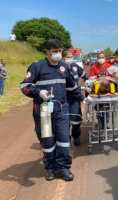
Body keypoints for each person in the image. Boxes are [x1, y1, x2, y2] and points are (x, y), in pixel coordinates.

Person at [20, 39, 76, 181]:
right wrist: (38, 92)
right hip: (43, 109)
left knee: (64, 139)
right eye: (54, 51)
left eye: (59, 51)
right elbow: (24, 85)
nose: (58, 54)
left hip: (62, 108)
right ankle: (50, 168)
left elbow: (72, 86)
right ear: (47, 51)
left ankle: (63, 168)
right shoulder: (37, 66)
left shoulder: (64, 66)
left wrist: (80, 98)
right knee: (47, 139)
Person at [62, 49, 87, 146]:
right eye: (67, 57)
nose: (70, 59)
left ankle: (76, 136)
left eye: (71, 57)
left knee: (76, 120)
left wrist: (89, 83)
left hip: (74, 98)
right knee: (65, 121)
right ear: (63, 58)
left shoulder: (75, 67)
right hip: (64, 98)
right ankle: (66, 140)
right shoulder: (60, 69)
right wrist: (82, 97)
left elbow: (85, 76)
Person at [89, 52, 112, 128]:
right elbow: (91, 79)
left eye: (102, 57)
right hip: (97, 91)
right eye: (99, 57)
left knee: (106, 107)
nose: (101, 59)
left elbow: (113, 78)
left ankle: (105, 123)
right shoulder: (93, 67)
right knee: (98, 107)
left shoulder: (109, 66)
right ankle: (100, 121)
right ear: (97, 58)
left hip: (107, 91)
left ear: (105, 58)